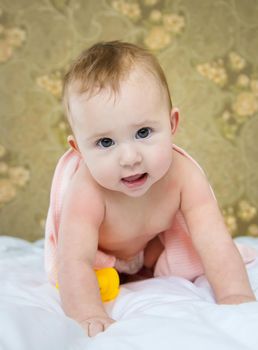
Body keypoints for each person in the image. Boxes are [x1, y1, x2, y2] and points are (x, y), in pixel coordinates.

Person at [44, 41, 256, 337]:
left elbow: (214, 238)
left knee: (187, 250)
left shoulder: (184, 175)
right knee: (83, 276)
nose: (130, 158)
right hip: (100, 256)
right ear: (78, 149)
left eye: (143, 132)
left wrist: (236, 296)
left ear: (172, 124)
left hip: (147, 249)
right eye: (105, 142)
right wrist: (89, 314)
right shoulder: (86, 191)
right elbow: (74, 259)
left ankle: (150, 267)